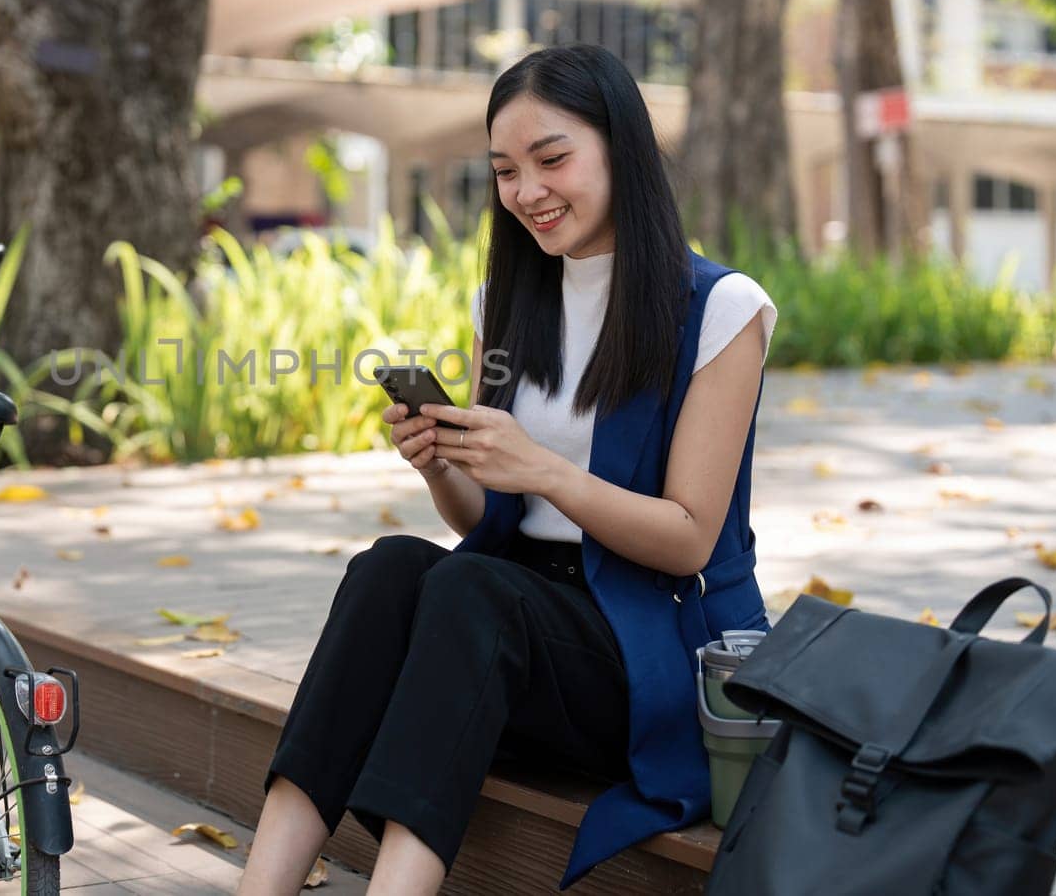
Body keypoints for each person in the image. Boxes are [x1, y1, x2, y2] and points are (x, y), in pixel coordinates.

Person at [236, 44, 777, 895]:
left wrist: (544, 470)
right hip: (513, 631)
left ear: (620, 148)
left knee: (471, 590)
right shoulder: (511, 299)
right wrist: (442, 466)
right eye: (505, 170)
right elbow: (484, 520)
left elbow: (688, 539)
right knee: (389, 569)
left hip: (651, 652)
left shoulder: (720, 308)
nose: (528, 191)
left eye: (552, 159)